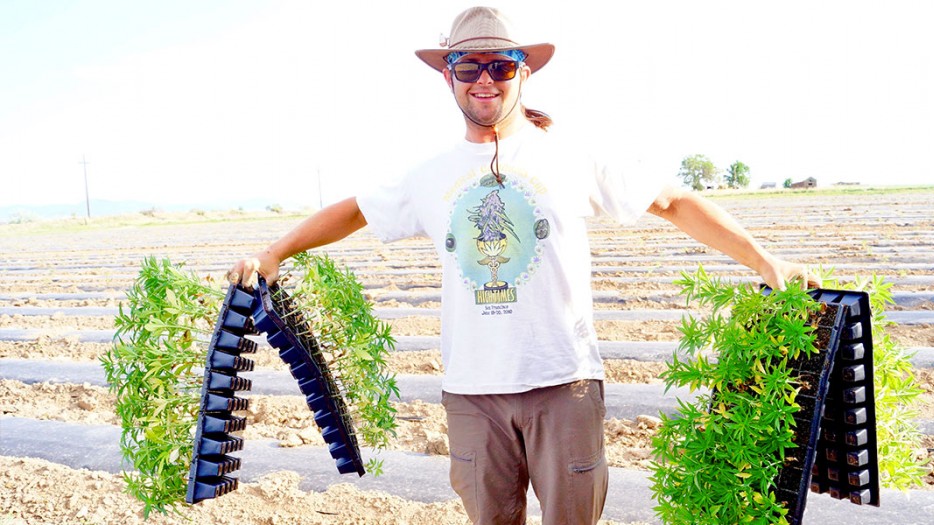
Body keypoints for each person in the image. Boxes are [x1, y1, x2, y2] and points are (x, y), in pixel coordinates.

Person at [229, 6, 818, 524]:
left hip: (564, 384)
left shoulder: (567, 154)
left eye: (501, 65)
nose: (485, 79)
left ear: (524, 72)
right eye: (468, 67)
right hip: (472, 393)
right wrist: (275, 252)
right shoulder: (428, 174)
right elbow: (353, 211)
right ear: (447, 76)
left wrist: (768, 262)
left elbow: (674, 201)